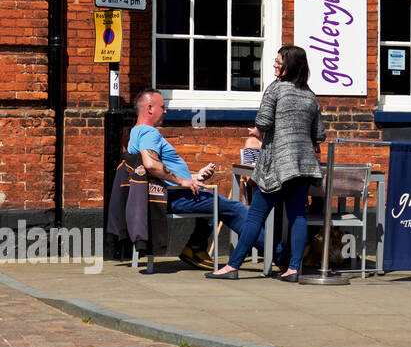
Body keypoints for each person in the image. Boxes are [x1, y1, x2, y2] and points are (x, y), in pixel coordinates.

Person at [208, 45, 325, 282]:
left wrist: (257, 131)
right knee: (298, 217)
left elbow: (263, 121)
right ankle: (293, 269)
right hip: (303, 166)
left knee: (254, 217)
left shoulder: (276, 89)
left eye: (278, 61)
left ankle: (232, 266)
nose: (274, 64)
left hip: (278, 167)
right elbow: (319, 134)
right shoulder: (310, 96)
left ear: (288, 65)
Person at [128, 89, 259, 270]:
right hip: (173, 196)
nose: (165, 111)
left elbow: (155, 169)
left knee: (209, 197)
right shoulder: (149, 133)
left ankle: (195, 249)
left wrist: (193, 177)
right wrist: (183, 182)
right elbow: (150, 164)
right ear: (150, 108)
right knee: (233, 208)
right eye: (162, 107)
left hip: (167, 192)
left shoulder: (135, 132)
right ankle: (279, 252)